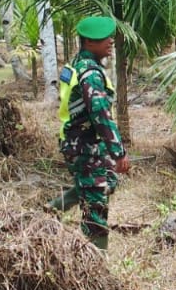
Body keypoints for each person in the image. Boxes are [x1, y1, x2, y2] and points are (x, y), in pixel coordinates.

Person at [50, 15, 130, 250]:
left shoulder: (77, 64)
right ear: (89, 43)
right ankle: (96, 264)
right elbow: (101, 115)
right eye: (104, 38)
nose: (110, 42)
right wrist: (118, 151)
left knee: (106, 182)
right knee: (96, 212)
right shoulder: (91, 74)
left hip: (80, 142)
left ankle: (54, 207)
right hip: (85, 145)